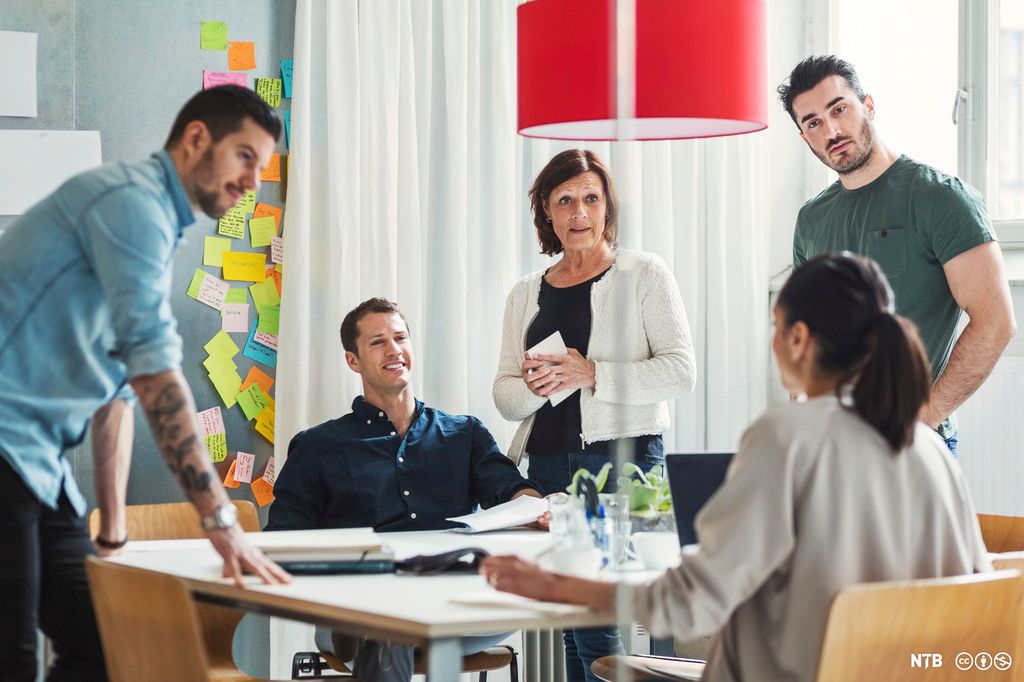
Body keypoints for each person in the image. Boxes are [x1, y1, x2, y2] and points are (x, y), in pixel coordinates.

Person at [483, 253, 991, 682]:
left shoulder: (786, 438)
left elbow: (691, 604)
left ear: (797, 339)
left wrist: (557, 587)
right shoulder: (928, 450)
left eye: (774, 326)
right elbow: (974, 605)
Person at [0, 85, 291, 681]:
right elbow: (158, 376)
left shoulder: (157, 224)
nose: (251, 183)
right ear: (195, 140)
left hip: (37, 462)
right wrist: (220, 518)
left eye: (261, 169)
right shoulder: (133, 204)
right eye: (243, 157)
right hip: (5, 445)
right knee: (13, 659)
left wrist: (112, 526)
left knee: (104, 641)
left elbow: (118, 393)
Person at [492, 149, 696, 682]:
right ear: (546, 211)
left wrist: (593, 374)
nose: (579, 212)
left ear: (607, 207)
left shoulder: (644, 273)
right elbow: (506, 397)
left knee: (600, 619)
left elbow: (681, 372)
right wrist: (538, 386)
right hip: (549, 467)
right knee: (571, 614)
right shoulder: (524, 294)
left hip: (625, 462)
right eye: (565, 201)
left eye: (590, 198)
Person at [267, 297, 543, 682]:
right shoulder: (317, 447)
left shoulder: (464, 433)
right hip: (360, 616)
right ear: (353, 360)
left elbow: (510, 490)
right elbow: (282, 538)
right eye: (378, 342)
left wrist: (535, 508)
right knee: (388, 624)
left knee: (541, 601)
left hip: (455, 608)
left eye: (400, 338)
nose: (394, 349)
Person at [778, 55, 1016, 455]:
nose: (832, 130)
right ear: (805, 138)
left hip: (914, 441)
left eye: (839, 109)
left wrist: (926, 416)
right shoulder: (811, 219)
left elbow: (996, 322)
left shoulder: (940, 198)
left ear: (868, 106)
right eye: (813, 122)